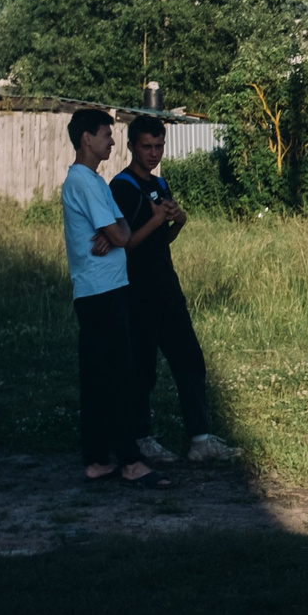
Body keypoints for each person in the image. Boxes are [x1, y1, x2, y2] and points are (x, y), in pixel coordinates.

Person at [111, 116, 234, 463]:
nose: (153, 153)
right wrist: (154, 220)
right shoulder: (121, 187)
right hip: (137, 292)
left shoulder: (160, 184)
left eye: (159, 146)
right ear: (131, 145)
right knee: (142, 369)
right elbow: (124, 245)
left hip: (167, 287)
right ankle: (140, 438)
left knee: (190, 359)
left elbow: (160, 239)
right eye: (147, 146)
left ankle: (201, 439)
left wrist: (178, 221)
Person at [62, 108, 171, 488]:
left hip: (98, 290)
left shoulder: (93, 181)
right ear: (86, 139)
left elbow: (120, 227)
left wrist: (116, 229)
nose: (111, 141)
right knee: (119, 375)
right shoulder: (86, 183)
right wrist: (117, 230)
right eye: (106, 135)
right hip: (102, 291)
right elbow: (124, 236)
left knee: (95, 377)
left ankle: (95, 460)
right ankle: (130, 462)